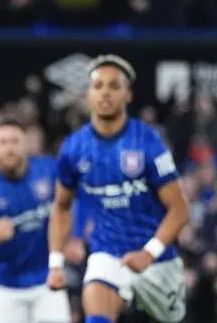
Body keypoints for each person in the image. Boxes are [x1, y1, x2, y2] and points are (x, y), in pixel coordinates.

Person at [46, 55, 190, 323]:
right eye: (98, 86)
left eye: (114, 86)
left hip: (157, 257)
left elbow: (179, 208)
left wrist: (149, 253)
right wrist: (55, 264)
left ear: (128, 95)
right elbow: (61, 207)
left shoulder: (148, 141)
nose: (105, 93)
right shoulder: (74, 148)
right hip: (107, 253)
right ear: (88, 94)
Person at [0, 120, 71, 323]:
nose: (9, 148)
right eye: (2, 142)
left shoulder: (49, 170)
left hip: (47, 280)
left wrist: (76, 236)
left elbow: (75, 202)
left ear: (26, 144)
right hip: (5, 288)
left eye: (15, 141)